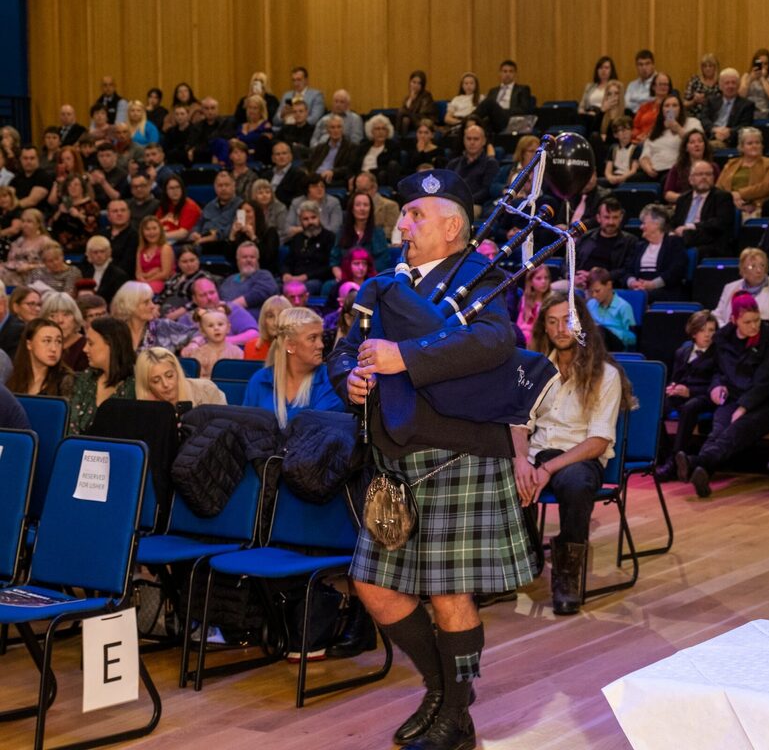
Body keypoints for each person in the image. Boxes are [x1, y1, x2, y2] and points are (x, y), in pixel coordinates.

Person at [327, 168, 536, 750]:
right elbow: (343, 351)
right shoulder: (384, 282)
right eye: (404, 214)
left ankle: (456, 715)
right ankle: (444, 690)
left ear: (452, 225)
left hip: (458, 452)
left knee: (450, 595)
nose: (404, 224)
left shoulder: (481, 276)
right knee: (373, 587)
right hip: (394, 460)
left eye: (417, 214)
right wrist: (350, 380)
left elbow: (495, 343)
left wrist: (405, 357)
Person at [515, 291, 631, 614]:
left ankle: (567, 575)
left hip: (580, 458)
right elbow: (518, 424)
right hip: (539, 453)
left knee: (576, 483)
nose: (560, 329)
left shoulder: (605, 374)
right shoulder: (536, 369)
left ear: (580, 324)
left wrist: (548, 469)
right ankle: (527, 556)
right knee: (500, 473)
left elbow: (598, 441)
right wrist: (521, 461)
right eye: (552, 322)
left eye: (567, 320)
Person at [674, 292, 769, 498]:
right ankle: (702, 471)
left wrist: (744, 406)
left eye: (756, 320)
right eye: (747, 322)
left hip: (767, 402)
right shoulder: (723, 339)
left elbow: (767, 381)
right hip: (734, 396)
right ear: (734, 320)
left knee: (734, 431)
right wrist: (716, 386)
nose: (754, 326)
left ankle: (696, 463)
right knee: (718, 430)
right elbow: (717, 370)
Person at [242, 306, 340, 425]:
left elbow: (320, 431)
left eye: (321, 337)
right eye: (312, 338)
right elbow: (246, 428)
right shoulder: (260, 381)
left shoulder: (330, 380)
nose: (321, 345)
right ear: (290, 345)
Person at [654, 310, 718, 481]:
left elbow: (717, 384)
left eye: (711, 330)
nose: (707, 335)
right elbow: (675, 378)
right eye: (703, 330)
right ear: (693, 332)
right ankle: (667, 455)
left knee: (690, 407)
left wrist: (690, 392)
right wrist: (672, 388)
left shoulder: (719, 353)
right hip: (682, 393)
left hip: (705, 396)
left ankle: (674, 462)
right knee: (656, 404)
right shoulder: (683, 351)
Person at [67, 316, 137, 435]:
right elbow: (70, 429)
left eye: (90, 343)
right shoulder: (85, 379)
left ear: (111, 344)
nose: (85, 349)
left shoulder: (137, 383)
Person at [624, 204, 688, 303]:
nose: (641, 227)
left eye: (644, 223)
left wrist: (653, 284)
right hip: (639, 290)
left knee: (638, 297)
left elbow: (676, 271)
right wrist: (632, 282)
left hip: (665, 291)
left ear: (656, 224)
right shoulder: (639, 246)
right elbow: (628, 270)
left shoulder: (674, 242)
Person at [112, 280, 195, 353]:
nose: (153, 306)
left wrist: (194, 344)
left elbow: (196, 333)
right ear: (130, 305)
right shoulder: (115, 332)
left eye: (151, 300)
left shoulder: (163, 326)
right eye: (146, 302)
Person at [715, 127, 769, 217]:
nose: (754, 146)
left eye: (757, 143)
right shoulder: (731, 164)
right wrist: (732, 198)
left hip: (757, 207)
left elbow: (767, 186)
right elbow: (719, 187)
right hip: (730, 205)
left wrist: (740, 194)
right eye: (750, 143)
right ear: (741, 147)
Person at [712, 247, 769, 326]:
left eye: (762, 265)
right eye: (753, 266)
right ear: (743, 269)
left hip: (762, 334)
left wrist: (749, 325)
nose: (759, 270)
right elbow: (717, 315)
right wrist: (727, 329)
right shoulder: (730, 287)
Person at [636, 95, 702, 181]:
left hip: (675, 169)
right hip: (654, 170)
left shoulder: (692, 122)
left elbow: (697, 144)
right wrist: (646, 166)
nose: (670, 109)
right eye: (667, 106)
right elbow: (645, 154)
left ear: (680, 109)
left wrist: (678, 128)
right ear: (662, 110)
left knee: (666, 180)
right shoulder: (656, 129)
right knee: (631, 181)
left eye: (674, 105)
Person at [574, 198, 639, 286]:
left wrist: (594, 276)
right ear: (598, 218)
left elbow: (626, 269)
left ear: (621, 218)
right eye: (607, 217)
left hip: (607, 284)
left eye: (615, 217)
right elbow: (568, 262)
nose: (611, 222)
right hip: (579, 282)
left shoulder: (630, 241)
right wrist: (573, 277)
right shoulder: (586, 237)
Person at [135, 346, 225, 407]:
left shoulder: (207, 390)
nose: (165, 384)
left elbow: (226, 428)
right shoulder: (141, 406)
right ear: (147, 385)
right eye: (156, 380)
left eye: (169, 376)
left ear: (177, 371)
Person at [6, 317, 74, 397]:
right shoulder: (11, 377)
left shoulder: (67, 381)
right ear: (29, 344)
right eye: (47, 341)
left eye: (58, 341)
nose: (54, 348)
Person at [446, 125, 499, 217]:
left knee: (456, 214)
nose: (472, 142)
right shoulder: (453, 163)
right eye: (469, 139)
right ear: (464, 140)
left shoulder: (490, 163)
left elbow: (487, 191)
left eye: (476, 139)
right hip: (452, 203)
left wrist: (464, 200)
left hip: (475, 204)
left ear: (484, 141)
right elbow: (446, 186)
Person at [182, 304, 245, 378]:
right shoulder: (199, 353)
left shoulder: (236, 351)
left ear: (228, 328)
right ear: (202, 331)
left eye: (220, 324)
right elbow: (197, 379)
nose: (216, 328)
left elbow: (241, 374)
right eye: (211, 326)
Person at [475, 59, 535, 134]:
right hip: (493, 121)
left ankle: (468, 121)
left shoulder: (522, 89)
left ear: (515, 74)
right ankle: (470, 122)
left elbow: (524, 109)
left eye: (511, 71)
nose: (507, 74)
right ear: (500, 73)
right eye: (505, 71)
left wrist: (501, 111)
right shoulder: (493, 91)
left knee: (489, 102)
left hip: (510, 120)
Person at [585, 268, 636, 351]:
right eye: (591, 292)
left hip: (616, 345)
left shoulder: (624, 306)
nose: (594, 295)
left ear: (609, 285)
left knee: (600, 331)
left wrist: (612, 332)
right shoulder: (590, 304)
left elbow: (632, 338)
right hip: (594, 342)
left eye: (597, 291)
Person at [702, 69, 755, 148]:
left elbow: (745, 126)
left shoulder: (747, 105)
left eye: (733, 83)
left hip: (731, 140)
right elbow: (703, 118)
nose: (730, 86)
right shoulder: (711, 101)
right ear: (720, 86)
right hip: (711, 136)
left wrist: (729, 132)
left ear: (738, 85)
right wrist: (714, 129)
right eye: (727, 83)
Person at [2, 209, 52, 287]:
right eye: (23, 221)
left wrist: (30, 267)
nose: (25, 224)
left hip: (35, 277)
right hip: (15, 273)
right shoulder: (18, 241)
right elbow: (10, 261)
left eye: (29, 221)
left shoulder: (45, 242)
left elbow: (52, 264)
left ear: (38, 224)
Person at [662, 129, 713, 204]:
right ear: (686, 148)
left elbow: (718, 192)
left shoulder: (713, 167)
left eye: (700, 141)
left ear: (705, 145)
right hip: (681, 205)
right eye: (692, 142)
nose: (697, 145)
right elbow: (668, 194)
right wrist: (687, 199)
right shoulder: (677, 168)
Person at [41, 291, 88, 371]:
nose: (60, 320)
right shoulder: (38, 345)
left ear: (75, 317)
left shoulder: (86, 348)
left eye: (66, 314)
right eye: (52, 315)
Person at [78, 234, 130, 304]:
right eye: (95, 252)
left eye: (102, 251)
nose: (99, 255)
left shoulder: (119, 275)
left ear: (109, 252)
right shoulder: (84, 272)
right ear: (89, 254)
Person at [242, 294, 289, 362]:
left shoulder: (298, 348)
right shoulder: (251, 347)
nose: (276, 322)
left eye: (281, 316)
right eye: (270, 316)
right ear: (263, 320)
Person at [135, 216, 174, 295]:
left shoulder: (165, 248)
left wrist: (147, 280)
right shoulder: (140, 249)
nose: (151, 232)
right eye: (147, 229)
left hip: (160, 282)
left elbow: (165, 274)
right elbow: (138, 273)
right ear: (142, 232)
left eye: (154, 228)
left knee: (143, 293)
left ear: (160, 230)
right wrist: (149, 274)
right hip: (143, 282)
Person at [739, 48, 769, 120]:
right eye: (760, 63)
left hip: (763, 113)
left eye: (766, 64)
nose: (763, 66)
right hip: (747, 112)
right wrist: (750, 79)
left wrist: (762, 79)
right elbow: (740, 96)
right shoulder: (746, 76)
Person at [514, 264, 551, 345]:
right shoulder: (525, 299)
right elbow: (520, 325)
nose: (543, 282)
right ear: (530, 282)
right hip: (526, 340)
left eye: (546, 278)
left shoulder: (551, 300)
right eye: (539, 278)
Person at [632, 72, 672, 144]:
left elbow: (670, 128)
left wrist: (648, 137)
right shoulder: (644, 107)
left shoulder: (671, 107)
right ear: (653, 87)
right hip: (640, 141)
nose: (663, 87)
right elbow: (636, 127)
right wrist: (638, 135)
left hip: (660, 142)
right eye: (660, 84)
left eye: (666, 84)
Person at [603, 117, 639, 187]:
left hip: (628, 177)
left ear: (632, 131)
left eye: (627, 129)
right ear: (615, 135)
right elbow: (608, 169)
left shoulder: (636, 148)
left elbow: (633, 170)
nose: (624, 133)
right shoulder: (613, 148)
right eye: (621, 130)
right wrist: (610, 177)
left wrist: (623, 177)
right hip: (614, 176)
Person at [683, 53, 721, 119]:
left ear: (715, 67)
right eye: (705, 66)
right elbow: (684, 104)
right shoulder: (694, 81)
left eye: (710, 66)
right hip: (696, 117)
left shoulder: (720, 82)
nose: (707, 69)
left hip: (715, 117)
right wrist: (694, 101)